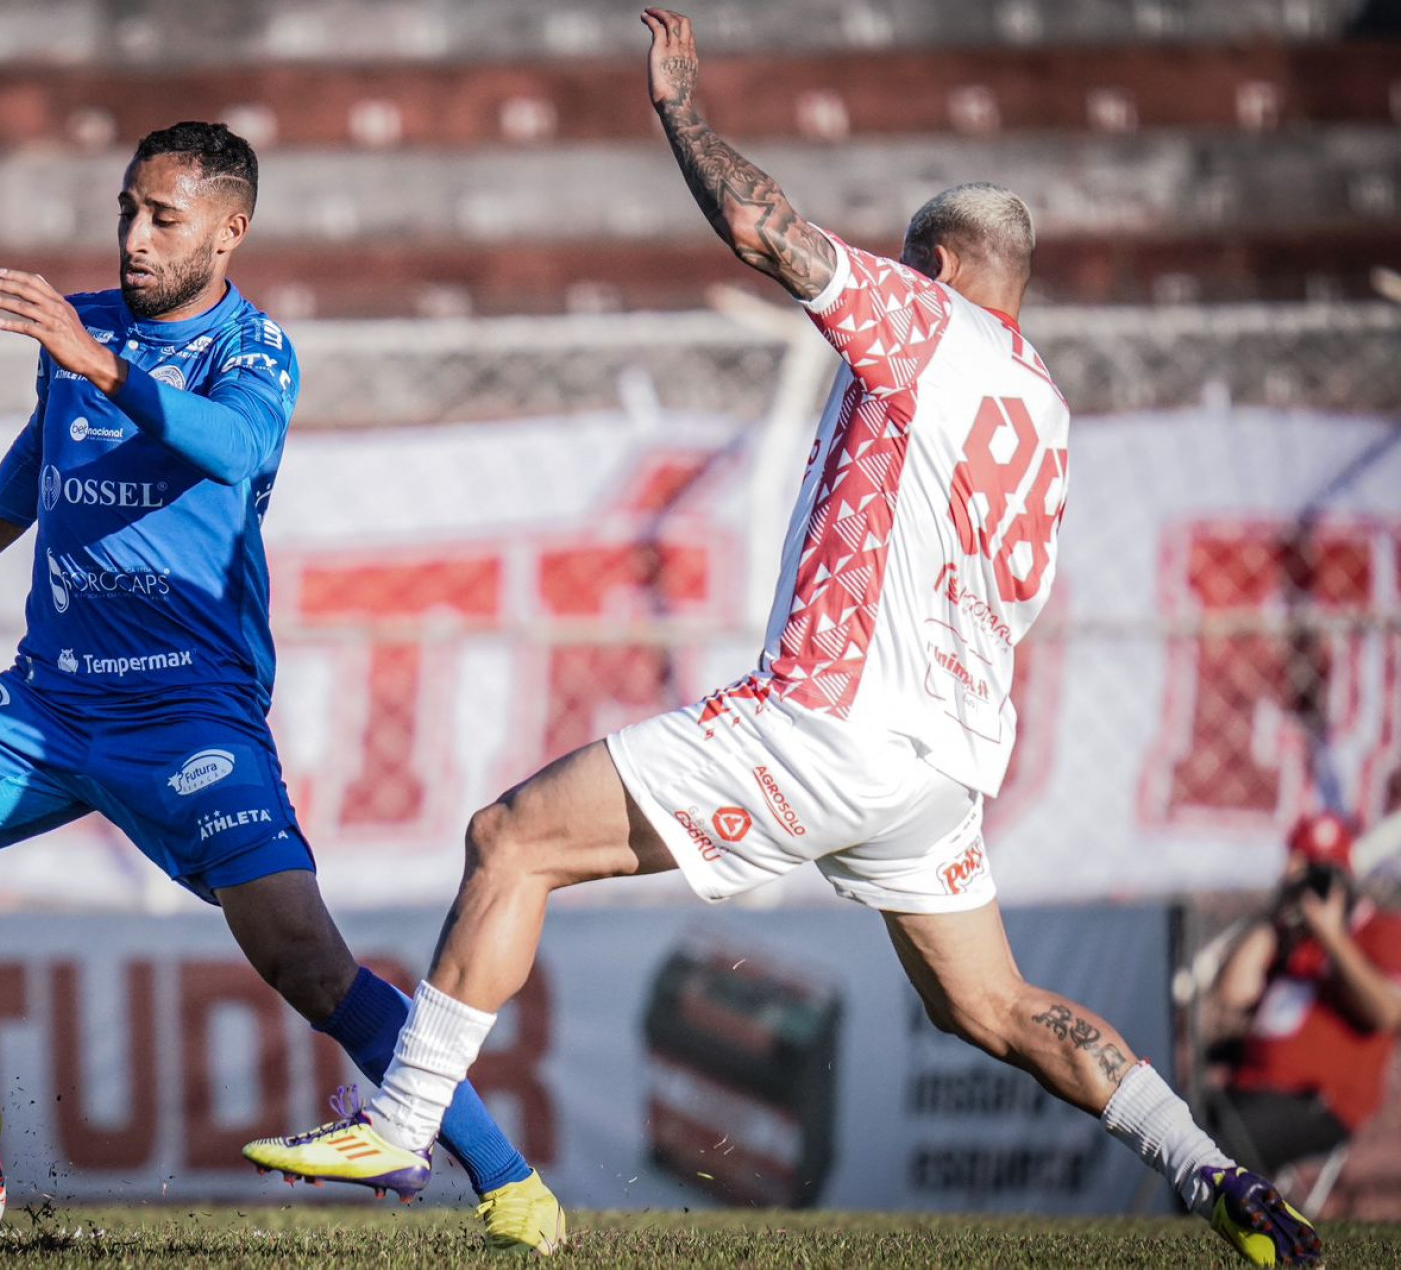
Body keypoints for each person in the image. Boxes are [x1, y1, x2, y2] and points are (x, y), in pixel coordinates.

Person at [242, 13, 1321, 1266]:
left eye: (909, 265)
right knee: (994, 1006)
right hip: (943, 769)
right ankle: (1214, 1175)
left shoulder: (927, 329)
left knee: (510, 839)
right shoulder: (1042, 404)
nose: (881, 291)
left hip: (828, 721)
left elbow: (764, 229)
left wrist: (679, 110)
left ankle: (405, 1117)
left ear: (948, 269)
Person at [0, 121, 565, 1255]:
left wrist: (102, 366)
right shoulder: (78, 329)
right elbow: (41, 452)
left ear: (230, 232)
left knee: (305, 958)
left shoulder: (255, 350)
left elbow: (233, 448)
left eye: (163, 218)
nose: (134, 238)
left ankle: (508, 1181)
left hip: (188, 713)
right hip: (47, 704)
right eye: (125, 211)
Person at [1206, 812, 1401, 1178]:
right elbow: (1233, 994)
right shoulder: (1289, 940)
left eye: (1313, 872)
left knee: (1213, 1145)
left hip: (1316, 1101)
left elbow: (1388, 1013)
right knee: (1171, 1126)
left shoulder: (1379, 932)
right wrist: (1275, 917)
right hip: (1245, 1087)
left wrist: (1331, 936)